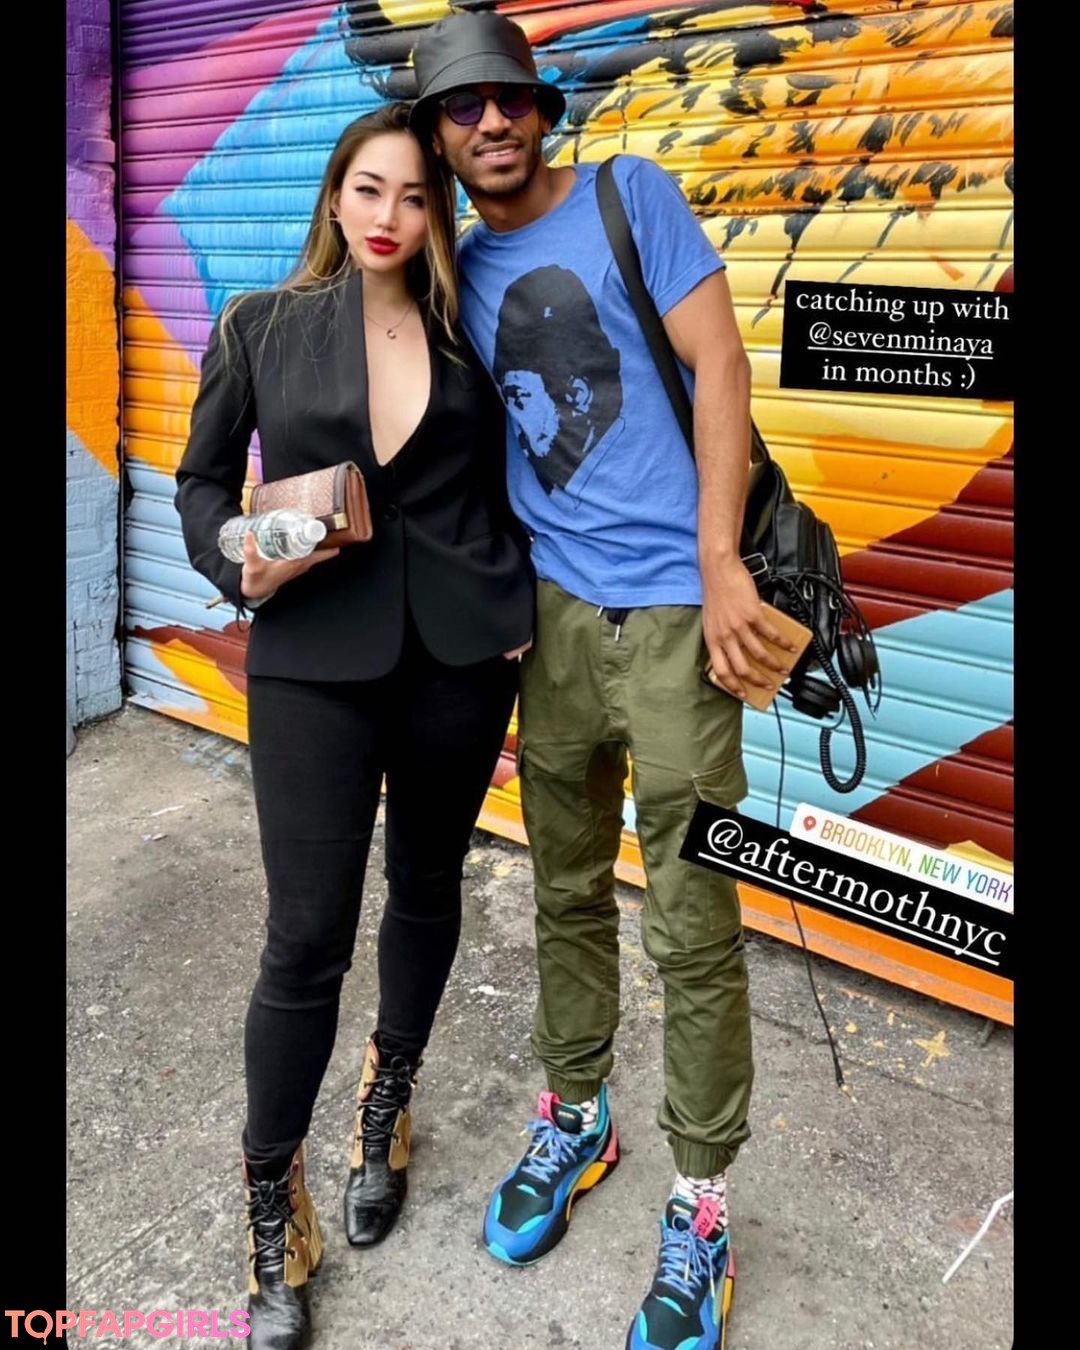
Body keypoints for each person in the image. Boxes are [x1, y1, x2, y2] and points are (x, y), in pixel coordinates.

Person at [408, 13, 799, 1350]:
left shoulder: (632, 196)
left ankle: (703, 1201)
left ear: (541, 105)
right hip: (554, 627)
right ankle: (577, 1115)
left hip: (685, 617)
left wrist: (721, 565)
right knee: (566, 886)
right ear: (438, 136)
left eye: (509, 98)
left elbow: (722, 364)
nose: (492, 123)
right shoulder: (453, 267)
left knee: (691, 914)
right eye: (463, 108)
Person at [174, 102, 534, 1350]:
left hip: (457, 663)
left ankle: (388, 1101)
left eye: (416, 196)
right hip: (313, 665)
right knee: (305, 938)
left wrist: (515, 605)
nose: (390, 215)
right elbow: (201, 481)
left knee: (427, 889)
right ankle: (273, 1199)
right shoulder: (261, 325)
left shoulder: (470, 329)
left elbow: (516, 476)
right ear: (335, 196)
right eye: (370, 189)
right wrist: (237, 556)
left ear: (438, 212)